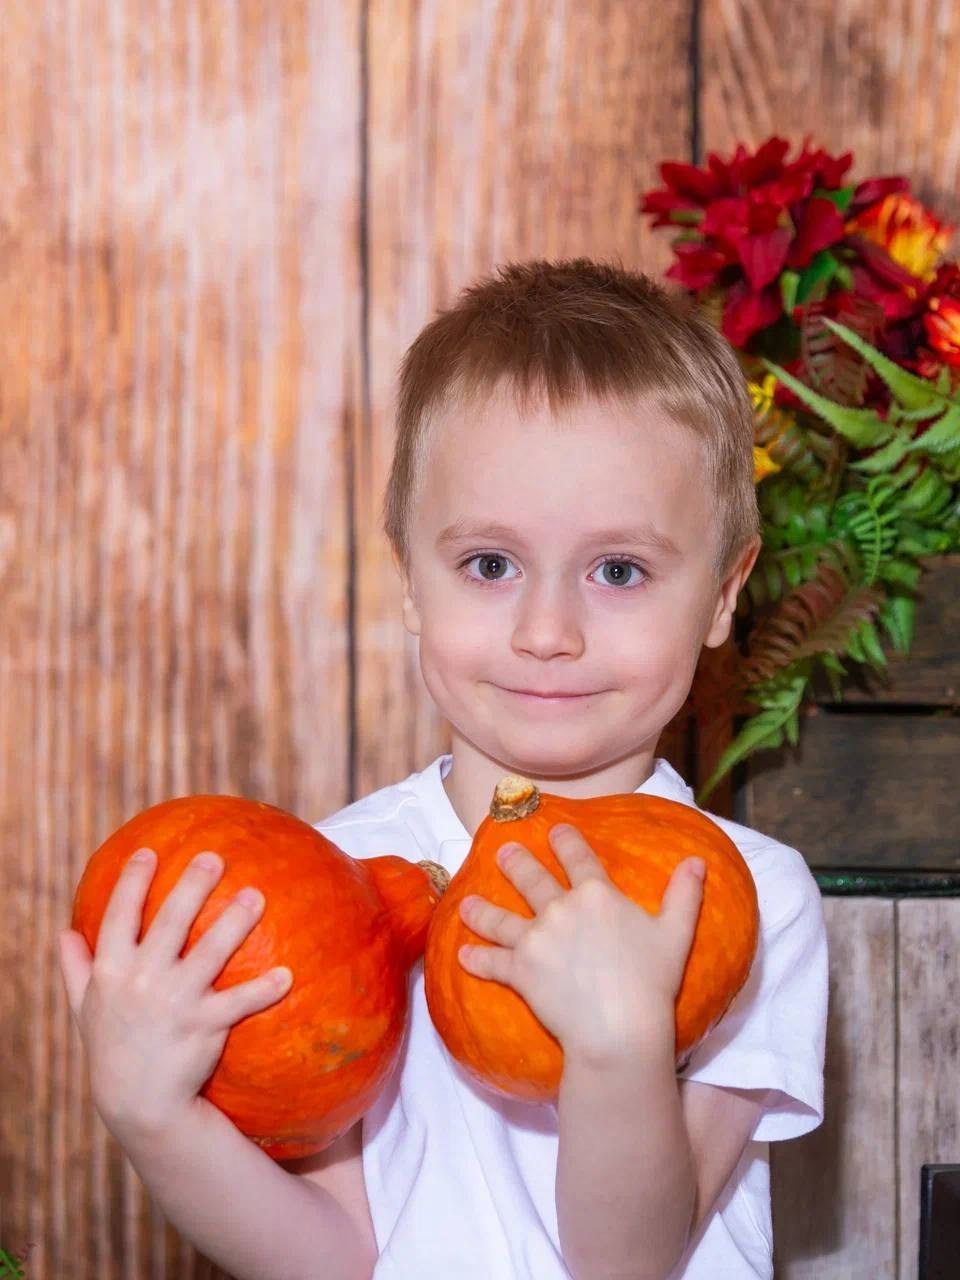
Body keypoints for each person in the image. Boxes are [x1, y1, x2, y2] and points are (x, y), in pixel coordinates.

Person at [58, 258, 828, 1280]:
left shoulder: (747, 901)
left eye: (619, 569)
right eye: (490, 565)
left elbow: (632, 1263)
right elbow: (330, 1254)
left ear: (725, 593)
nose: (547, 630)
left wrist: (618, 1049)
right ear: (410, 580)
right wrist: (156, 1118)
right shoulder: (339, 877)